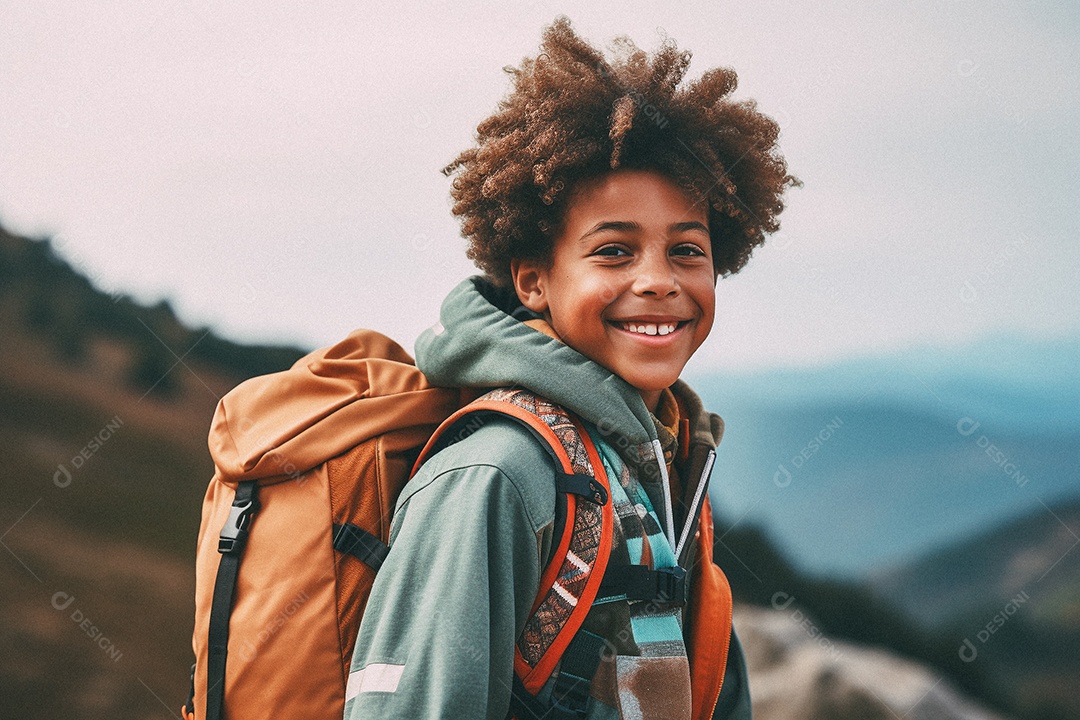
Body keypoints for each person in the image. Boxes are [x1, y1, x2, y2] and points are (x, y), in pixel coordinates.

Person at [344, 17, 797, 720]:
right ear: (533, 281)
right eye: (614, 251)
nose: (658, 281)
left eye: (687, 251)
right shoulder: (498, 475)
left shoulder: (665, 455)